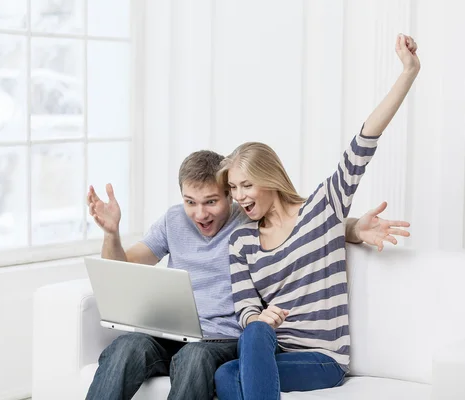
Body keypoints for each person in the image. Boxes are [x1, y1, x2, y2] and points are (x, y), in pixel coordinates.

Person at [85, 112, 409, 400]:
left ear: (230, 195)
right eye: (190, 202)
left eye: (211, 201)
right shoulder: (173, 221)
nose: (200, 213)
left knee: (196, 359)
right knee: (125, 347)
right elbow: (121, 266)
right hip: (171, 334)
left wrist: (349, 228)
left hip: (220, 341)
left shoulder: (248, 221)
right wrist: (111, 233)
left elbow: (304, 220)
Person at [213, 33, 419, 399]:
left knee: (245, 357)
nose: (238, 197)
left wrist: (408, 71)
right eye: (232, 189)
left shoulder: (323, 210)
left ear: (268, 178)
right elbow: (244, 307)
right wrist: (260, 320)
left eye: (246, 185)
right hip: (276, 352)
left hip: (323, 359)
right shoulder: (241, 240)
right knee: (229, 370)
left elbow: (364, 142)